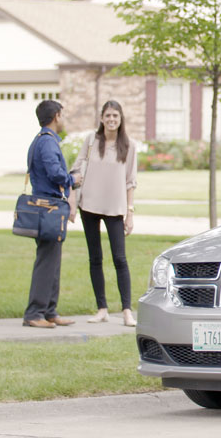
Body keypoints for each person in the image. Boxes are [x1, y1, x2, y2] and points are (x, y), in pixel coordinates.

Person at [72, 100, 138, 327]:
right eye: (108, 116)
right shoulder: (92, 140)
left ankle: (127, 311)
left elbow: (131, 181)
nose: (111, 120)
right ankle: (102, 309)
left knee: (120, 259)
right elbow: (77, 166)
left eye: (115, 116)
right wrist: (73, 198)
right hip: (89, 206)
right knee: (95, 258)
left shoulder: (129, 146)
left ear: (121, 120)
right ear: (102, 118)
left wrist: (130, 213)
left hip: (115, 208)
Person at [23, 100, 81, 329]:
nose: (63, 119)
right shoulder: (47, 142)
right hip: (49, 208)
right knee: (47, 262)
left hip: (50, 208)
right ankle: (34, 313)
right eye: (62, 115)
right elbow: (54, 173)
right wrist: (72, 180)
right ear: (56, 116)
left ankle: (49, 311)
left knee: (53, 261)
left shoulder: (42, 140)